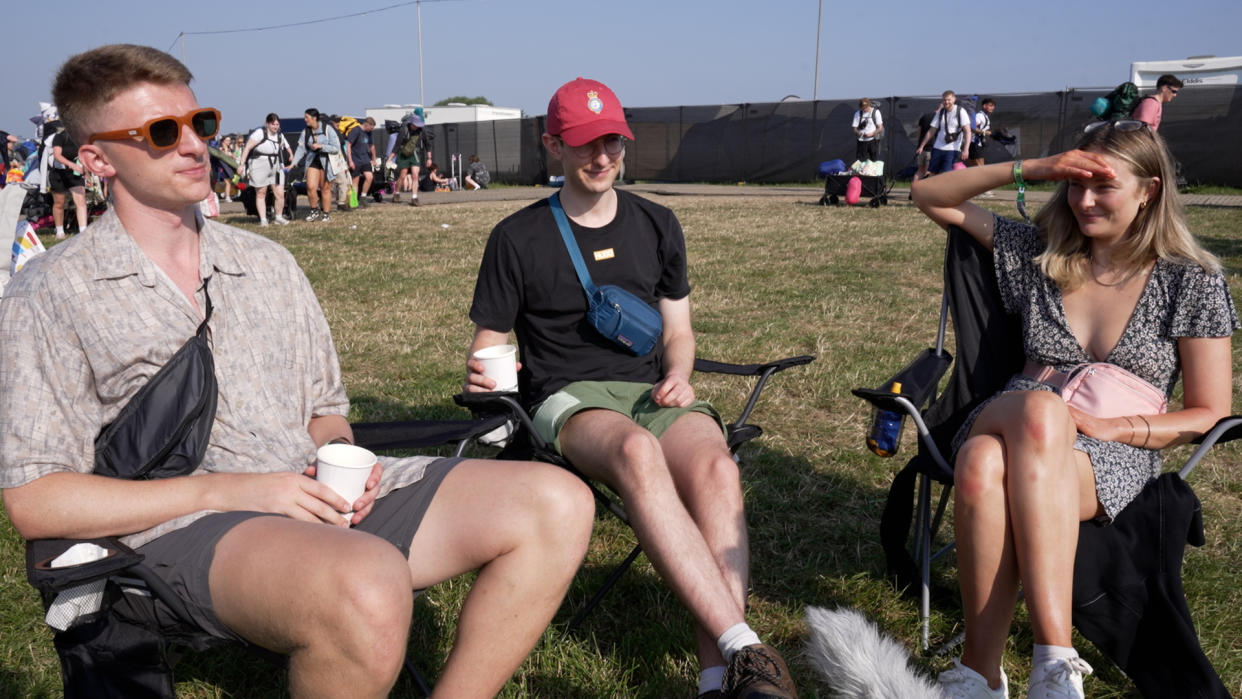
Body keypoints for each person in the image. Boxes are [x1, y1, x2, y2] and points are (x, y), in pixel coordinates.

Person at [0, 44, 595, 699]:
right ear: (96, 158)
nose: (196, 146)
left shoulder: (267, 266)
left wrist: (344, 458)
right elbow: (35, 500)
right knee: (367, 581)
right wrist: (236, 490)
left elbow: (324, 409)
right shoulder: (54, 292)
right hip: (175, 527)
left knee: (556, 502)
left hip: (309, 494)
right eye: (162, 133)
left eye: (200, 123)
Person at [467, 77, 798, 699]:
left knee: (719, 471)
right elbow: (489, 340)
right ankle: (745, 648)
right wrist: (486, 376)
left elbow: (680, 331)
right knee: (636, 453)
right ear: (553, 146)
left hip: (653, 389)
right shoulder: (516, 237)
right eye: (587, 145)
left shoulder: (657, 222)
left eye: (613, 144)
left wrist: (679, 373)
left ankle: (716, 680)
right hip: (568, 397)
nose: (602, 159)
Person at [912, 120, 1237, 699]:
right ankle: (1054, 664)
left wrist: (1111, 426)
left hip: (1112, 449)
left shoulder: (1193, 280)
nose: (1083, 200)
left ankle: (978, 673)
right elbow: (929, 193)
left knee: (983, 468)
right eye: (1074, 185)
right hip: (1012, 412)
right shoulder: (1037, 253)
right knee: (1040, 414)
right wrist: (1037, 168)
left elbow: (1209, 411)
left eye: (1103, 187)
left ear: (1150, 191)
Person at [238, 113, 294, 227]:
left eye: (277, 124)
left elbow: (287, 147)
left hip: (276, 165)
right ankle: (263, 219)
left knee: (280, 193)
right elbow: (248, 147)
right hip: (259, 164)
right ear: (267, 124)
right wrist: (241, 164)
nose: (275, 126)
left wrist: (291, 155)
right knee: (261, 193)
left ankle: (278, 216)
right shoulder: (260, 133)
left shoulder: (279, 136)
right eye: (273, 124)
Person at [291, 108, 340, 222]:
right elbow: (301, 148)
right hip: (312, 161)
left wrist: (321, 146)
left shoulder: (328, 129)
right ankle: (314, 210)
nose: (305, 120)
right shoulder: (306, 131)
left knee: (325, 189)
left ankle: (326, 214)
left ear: (314, 118)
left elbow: (336, 148)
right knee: (310, 187)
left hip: (326, 162)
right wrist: (293, 163)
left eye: (306, 117)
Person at [916, 90, 972, 176]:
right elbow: (931, 130)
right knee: (931, 172)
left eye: (949, 100)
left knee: (946, 174)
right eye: (944, 100)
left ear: (954, 99)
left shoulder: (960, 111)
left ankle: (947, 189)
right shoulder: (941, 112)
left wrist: (966, 149)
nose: (946, 102)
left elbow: (968, 132)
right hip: (937, 147)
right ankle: (932, 189)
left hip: (952, 149)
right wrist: (921, 146)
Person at [48, 125, 88, 239]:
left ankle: (83, 231)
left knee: (81, 201)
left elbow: (83, 156)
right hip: (59, 173)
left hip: (75, 174)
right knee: (59, 203)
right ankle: (60, 231)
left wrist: (87, 174)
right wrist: (71, 165)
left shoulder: (81, 138)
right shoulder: (59, 136)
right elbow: (57, 155)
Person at [387, 113, 425, 206]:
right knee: (402, 175)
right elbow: (397, 145)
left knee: (415, 175)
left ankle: (414, 198)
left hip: (415, 154)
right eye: (416, 125)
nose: (417, 127)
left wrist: (429, 157)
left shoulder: (421, 131)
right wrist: (390, 158)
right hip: (403, 154)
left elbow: (427, 143)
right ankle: (397, 193)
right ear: (411, 124)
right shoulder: (404, 130)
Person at [347, 116, 376, 205]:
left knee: (369, 177)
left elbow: (372, 146)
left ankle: (363, 197)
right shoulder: (356, 130)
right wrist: (350, 161)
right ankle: (353, 201)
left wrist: (374, 159)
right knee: (356, 180)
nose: (371, 130)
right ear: (366, 125)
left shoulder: (369, 133)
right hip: (355, 159)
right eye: (371, 128)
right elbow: (348, 145)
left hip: (365, 159)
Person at [851, 98, 883, 163]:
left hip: (873, 141)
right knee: (860, 162)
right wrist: (859, 133)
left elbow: (880, 128)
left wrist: (872, 134)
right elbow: (854, 128)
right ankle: (861, 173)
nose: (864, 109)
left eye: (866, 107)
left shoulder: (876, 112)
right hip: (861, 141)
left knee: (874, 161)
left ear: (869, 105)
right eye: (862, 107)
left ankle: (872, 173)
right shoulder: (857, 113)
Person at [967, 98, 995, 168]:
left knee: (973, 168)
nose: (993, 107)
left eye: (993, 106)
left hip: (977, 145)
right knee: (980, 168)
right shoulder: (980, 116)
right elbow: (972, 128)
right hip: (975, 144)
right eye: (990, 105)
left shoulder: (985, 116)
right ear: (984, 106)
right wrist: (984, 132)